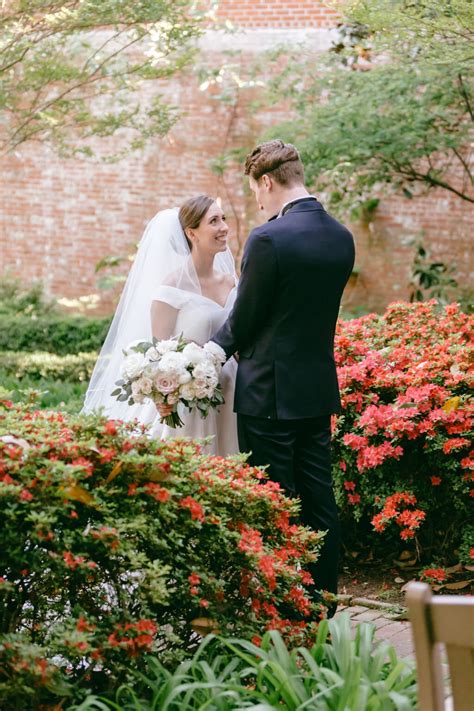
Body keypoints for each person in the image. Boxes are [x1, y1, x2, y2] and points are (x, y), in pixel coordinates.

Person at [212, 140, 356, 612]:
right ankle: (324, 603)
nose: (257, 202)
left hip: (267, 393)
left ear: (269, 182)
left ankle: (284, 607)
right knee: (318, 499)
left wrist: (211, 352)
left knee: (274, 500)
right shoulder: (340, 236)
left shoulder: (268, 238)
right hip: (316, 391)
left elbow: (248, 317)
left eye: (257, 192)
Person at [82, 196, 239, 456]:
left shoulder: (232, 282)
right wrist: (163, 396)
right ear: (192, 233)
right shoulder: (171, 289)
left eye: (223, 219)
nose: (224, 227)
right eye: (214, 221)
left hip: (231, 391)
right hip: (190, 401)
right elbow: (158, 354)